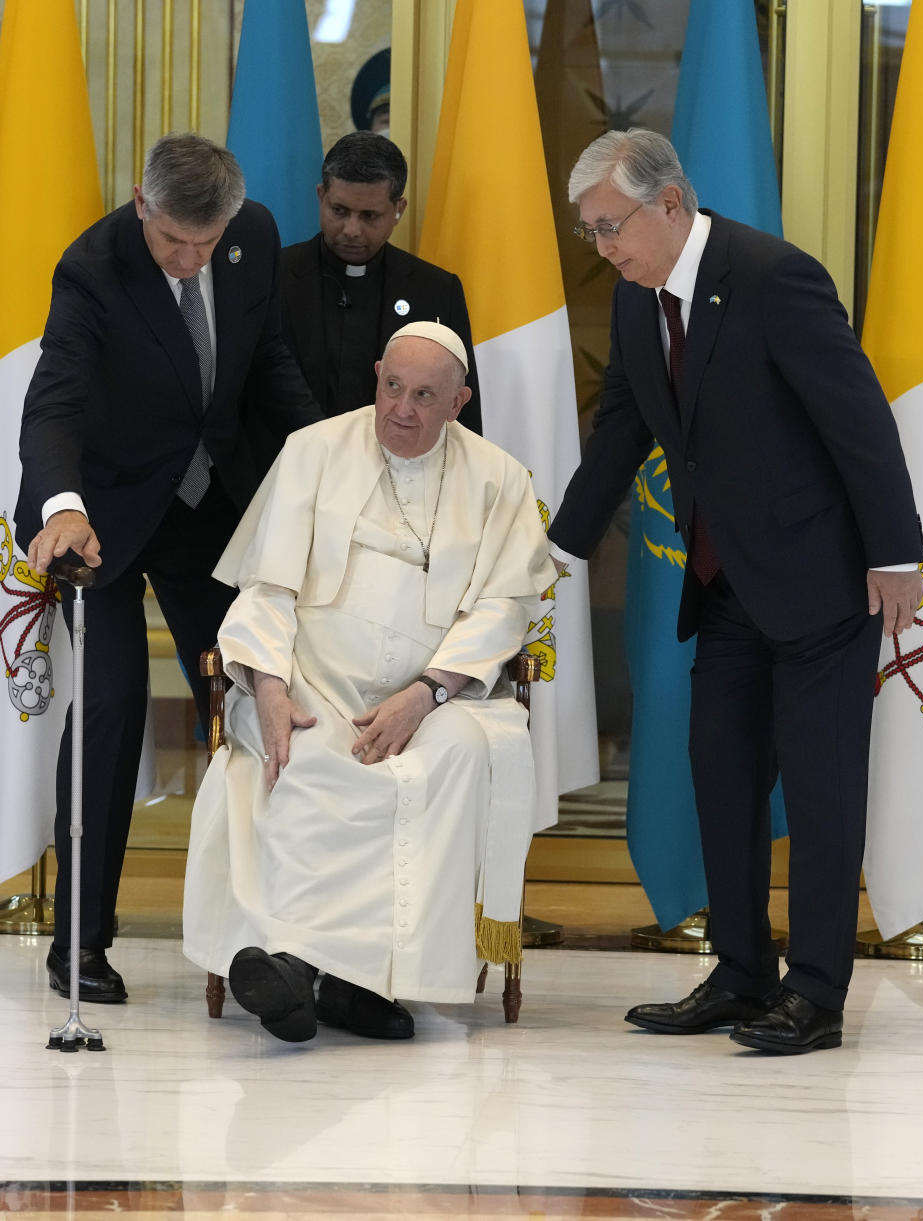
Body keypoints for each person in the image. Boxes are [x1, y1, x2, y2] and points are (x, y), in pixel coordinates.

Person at [549, 129, 923, 1055]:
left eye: (609, 227)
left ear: (668, 203)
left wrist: (895, 553)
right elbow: (621, 435)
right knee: (721, 781)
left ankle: (819, 994)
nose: (600, 249)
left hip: (820, 587)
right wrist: (552, 552)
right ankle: (740, 971)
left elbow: (858, 418)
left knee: (825, 794)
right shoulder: (640, 303)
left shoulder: (773, 277)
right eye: (588, 230)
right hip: (724, 590)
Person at [181, 322, 554, 1044]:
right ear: (376, 375)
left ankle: (347, 978)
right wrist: (270, 688)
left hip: (436, 692)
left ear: (459, 401)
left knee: (453, 758)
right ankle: (313, 971)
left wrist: (428, 694)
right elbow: (266, 589)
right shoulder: (313, 451)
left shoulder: (498, 477)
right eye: (391, 387)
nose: (401, 410)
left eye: (424, 396)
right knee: (301, 759)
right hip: (310, 680)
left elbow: (505, 605)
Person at [16, 132, 320, 1004]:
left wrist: (324, 463)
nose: (190, 260)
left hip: (206, 510)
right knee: (112, 709)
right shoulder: (92, 268)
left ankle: (278, 934)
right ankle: (79, 942)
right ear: (141, 204)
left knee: (259, 694)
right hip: (103, 519)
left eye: (206, 242)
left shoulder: (251, 235)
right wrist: (61, 504)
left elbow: (264, 364)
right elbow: (56, 400)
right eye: (172, 243)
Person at [280, 131, 482, 434]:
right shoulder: (274, 276)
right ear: (321, 196)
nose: (351, 229)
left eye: (369, 216)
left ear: (398, 209)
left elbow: (459, 411)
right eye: (339, 211)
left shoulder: (437, 291)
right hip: (288, 464)